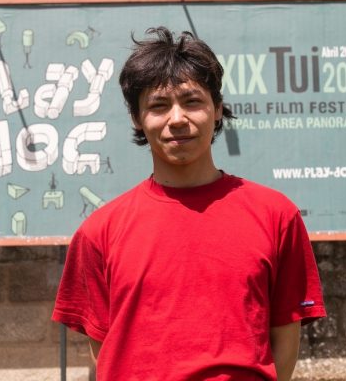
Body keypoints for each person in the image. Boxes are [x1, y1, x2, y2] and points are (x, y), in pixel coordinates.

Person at [52, 27, 325, 381]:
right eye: (158, 106)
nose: (177, 119)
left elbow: (285, 340)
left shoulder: (276, 215)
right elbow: (104, 351)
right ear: (137, 118)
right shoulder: (99, 232)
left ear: (217, 109)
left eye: (192, 101)